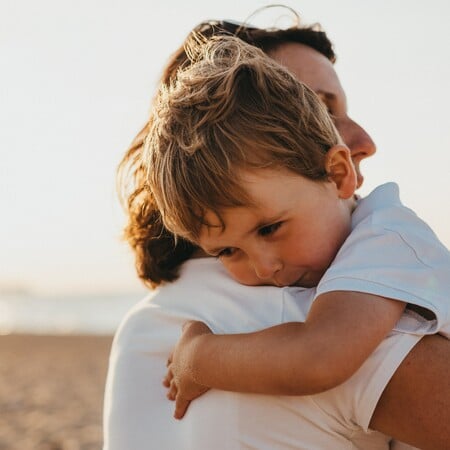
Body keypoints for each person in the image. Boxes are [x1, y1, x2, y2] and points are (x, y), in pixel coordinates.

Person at [103, 15, 450, 450]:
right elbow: (318, 353)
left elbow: (319, 353)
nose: (366, 139)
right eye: (319, 108)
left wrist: (201, 357)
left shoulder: (144, 327)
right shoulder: (295, 309)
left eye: (270, 228)